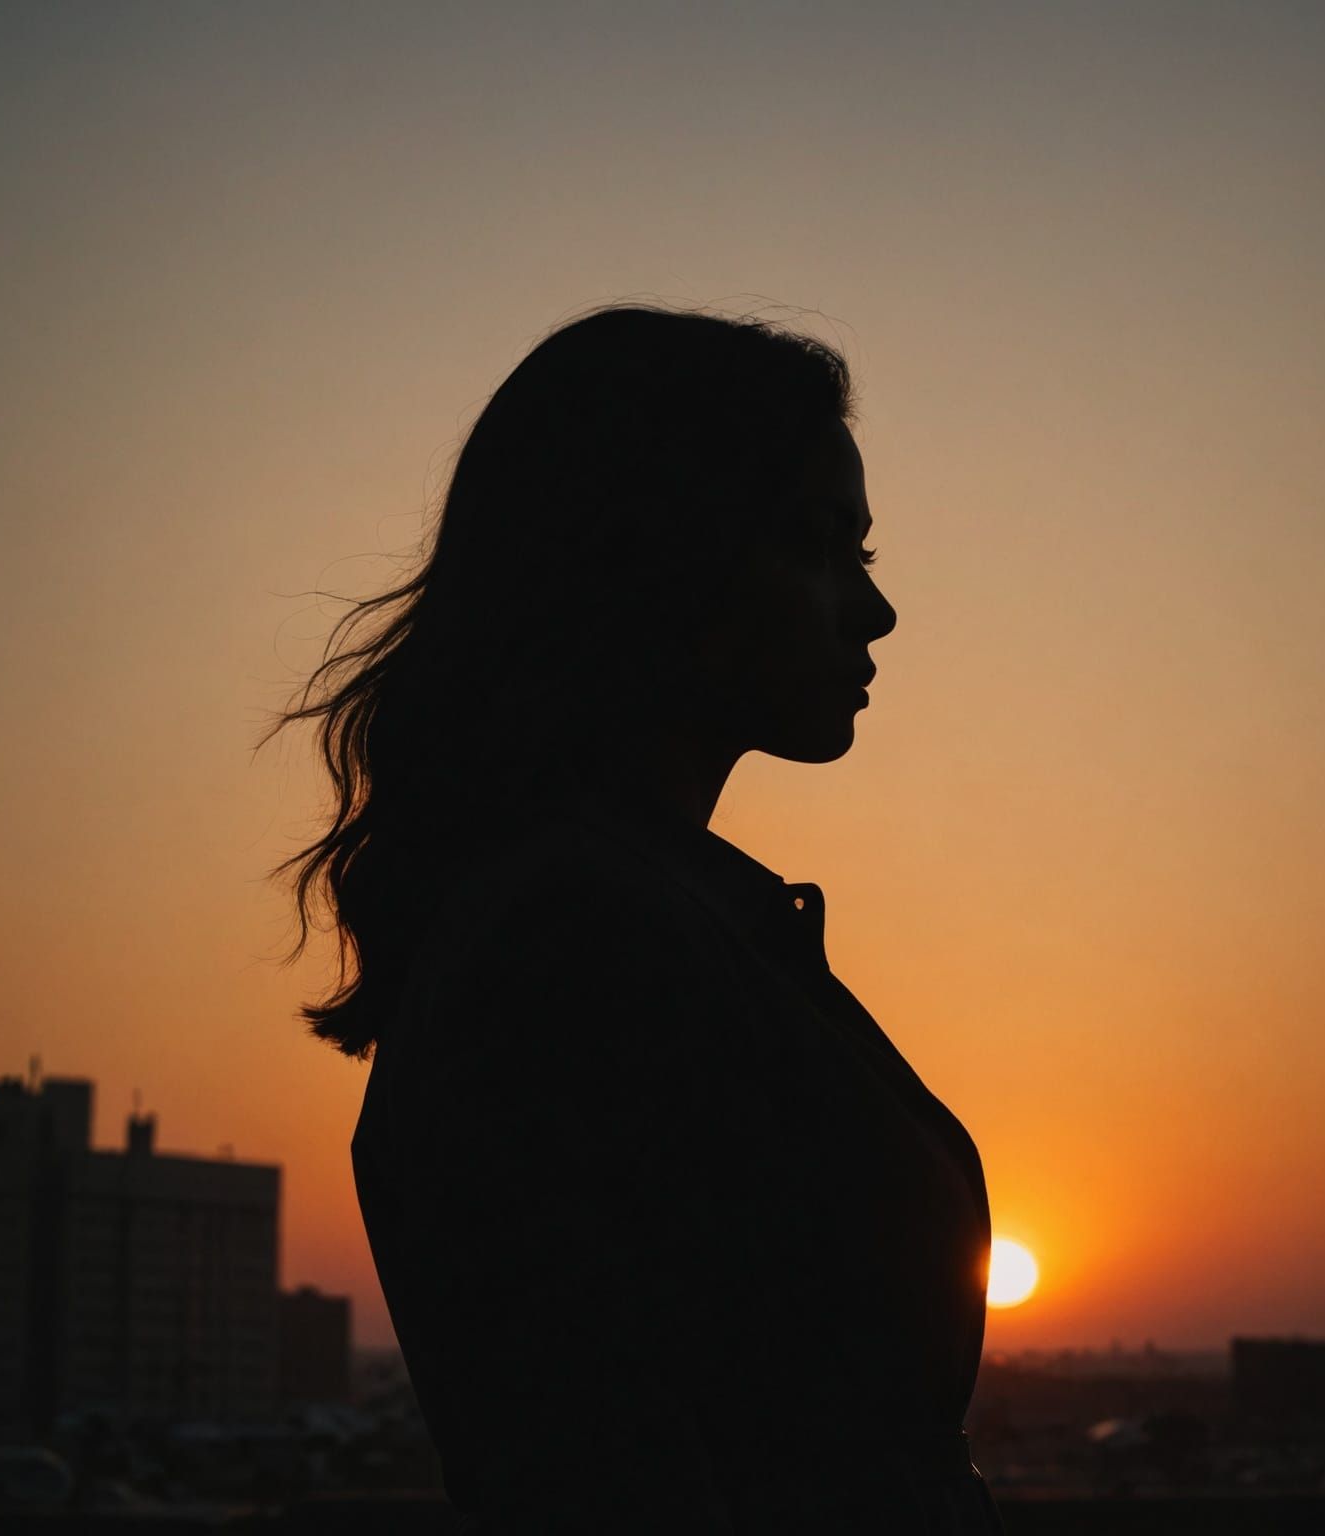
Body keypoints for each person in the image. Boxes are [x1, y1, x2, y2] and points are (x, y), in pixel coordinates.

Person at [261, 303, 1006, 1532]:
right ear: (651, 557)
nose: (871, 612)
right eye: (818, 545)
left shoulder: (638, 916)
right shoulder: (572, 947)